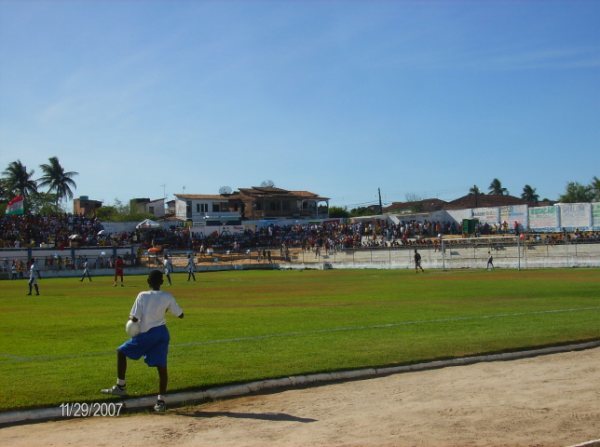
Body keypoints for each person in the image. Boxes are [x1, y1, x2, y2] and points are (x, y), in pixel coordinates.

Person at [101, 270, 184, 413]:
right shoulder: (167, 296)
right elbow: (181, 315)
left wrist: (132, 325)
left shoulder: (142, 295)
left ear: (148, 281)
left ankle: (121, 386)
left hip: (148, 333)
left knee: (121, 351)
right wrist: (163, 310)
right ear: (162, 282)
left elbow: (134, 318)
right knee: (162, 367)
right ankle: (161, 402)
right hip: (162, 333)